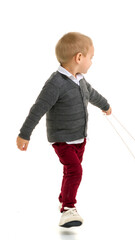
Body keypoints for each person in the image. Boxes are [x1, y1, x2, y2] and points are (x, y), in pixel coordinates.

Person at [16, 32, 112, 228]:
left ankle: (63, 198)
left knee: (71, 172)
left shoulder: (80, 80)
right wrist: (24, 134)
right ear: (79, 57)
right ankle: (68, 209)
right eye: (91, 58)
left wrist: (105, 105)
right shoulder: (55, 84)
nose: (92, 62)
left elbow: (91, 94)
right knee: (75, 171)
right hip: (62, 138)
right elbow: (38, 108)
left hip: (79, 138)